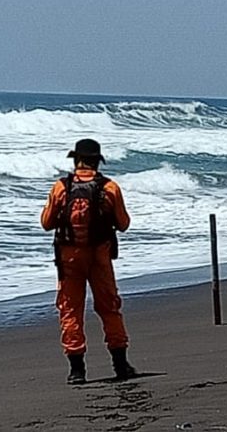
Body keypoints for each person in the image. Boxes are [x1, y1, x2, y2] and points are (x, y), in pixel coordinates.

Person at [40, 138, 136, 385]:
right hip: (100, 257)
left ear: (76, 160)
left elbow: (46, 223)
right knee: (109, 308)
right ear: (97, 161)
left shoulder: (61, 188)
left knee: (70, 310)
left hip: (69, 258)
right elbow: (124, 224)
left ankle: (77, 370)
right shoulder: (110, 188)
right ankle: (120, 364)